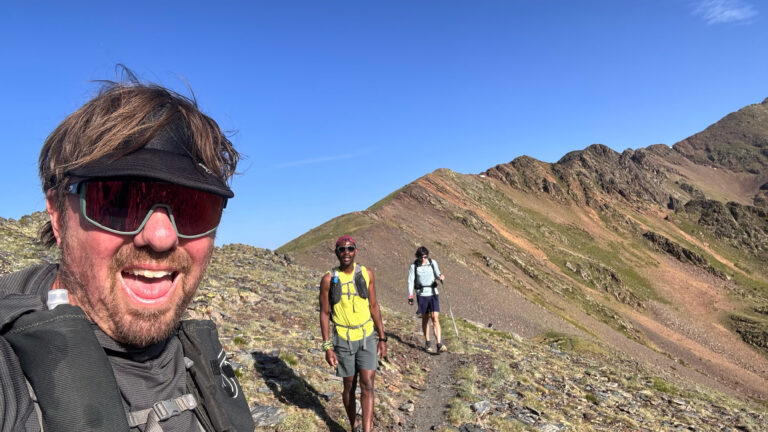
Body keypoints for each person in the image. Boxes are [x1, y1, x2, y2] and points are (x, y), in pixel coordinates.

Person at [0, 77, 255, 431]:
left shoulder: (201, 359)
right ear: (57, 215)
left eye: (194, 206)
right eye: (118, 201)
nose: (162, 237)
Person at [319, 236, 387, 432]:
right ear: (336, 253)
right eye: (342, 249)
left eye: (350, 248)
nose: (346, 252)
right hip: (343, 339)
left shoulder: (367, 274)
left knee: (368, 383)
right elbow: (324, 313)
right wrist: (327, 346)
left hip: (367, 336)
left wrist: (382, 337)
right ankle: (353, 424)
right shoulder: (328, 279)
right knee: (349, 385)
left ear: (356, 251)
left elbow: (374, 306)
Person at [408, 246, 446, 353]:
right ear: (418, 256)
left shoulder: (432, 262)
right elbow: (411, 281)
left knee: (435, 317)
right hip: (421, 294)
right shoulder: (414, 266)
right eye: (421, 257)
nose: (423, 259)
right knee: (425, 318)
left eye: (425, 256)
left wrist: (440, 276)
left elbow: (437, 273)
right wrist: (410, 295)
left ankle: (439, 344)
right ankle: (428, 342)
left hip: (433, 293)